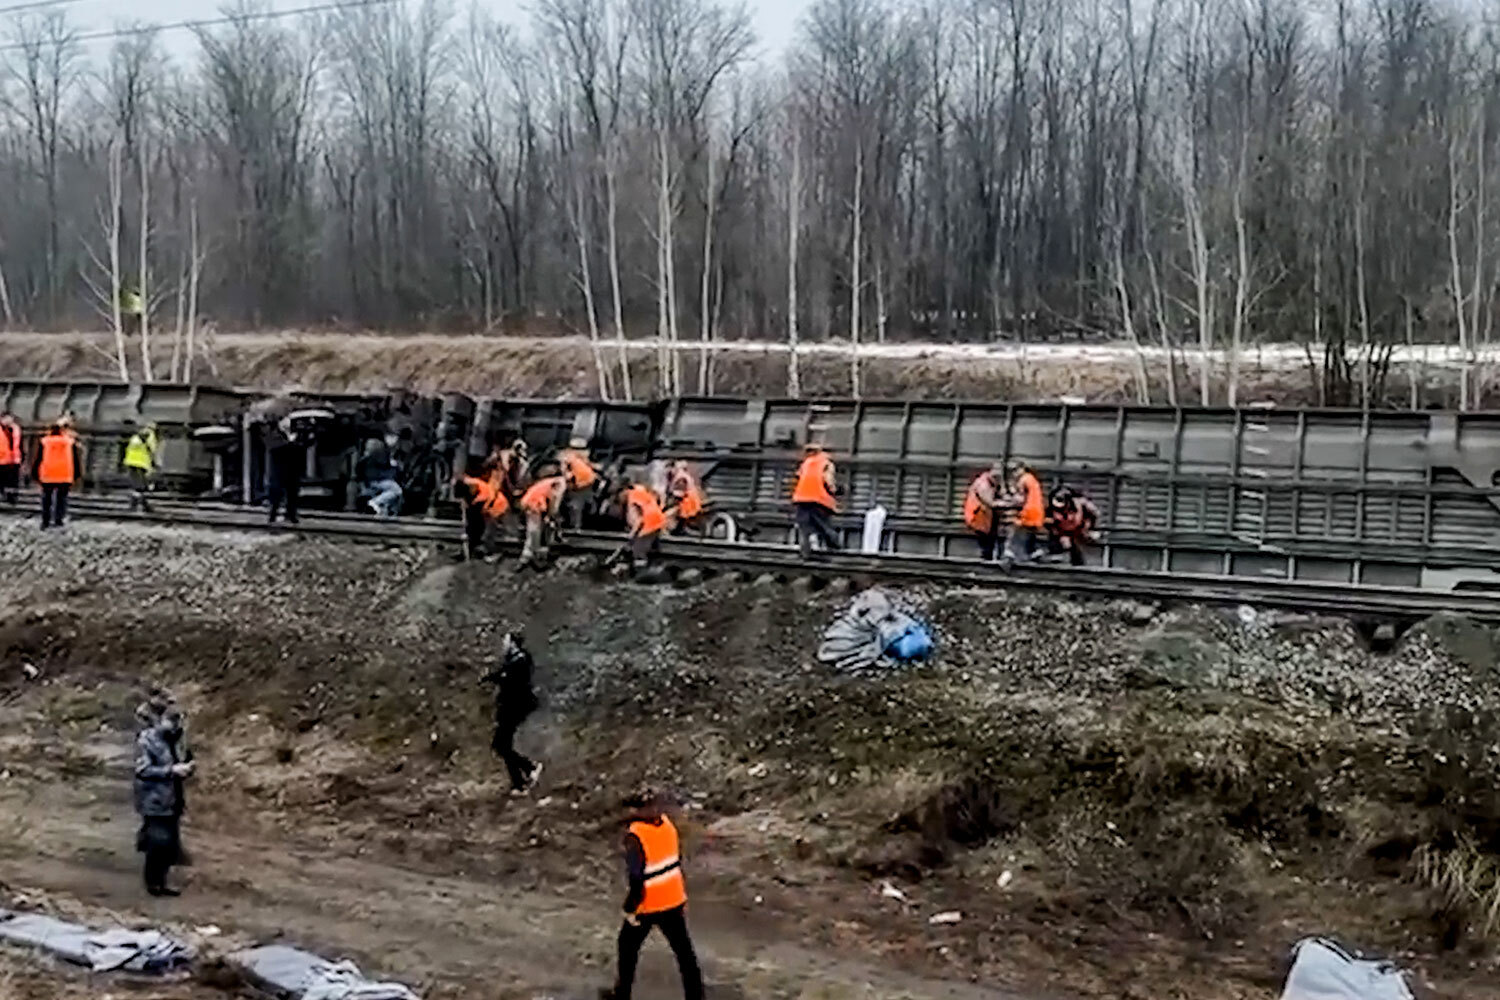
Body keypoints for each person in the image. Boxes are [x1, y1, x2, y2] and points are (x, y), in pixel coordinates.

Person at [601, 790, 703, 1000]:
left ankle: (622, 995)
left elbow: (637, 878)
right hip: (673, 898)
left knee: (627, 947)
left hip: (648, 904)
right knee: (685, 954)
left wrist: (630, 908)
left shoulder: (635, 836)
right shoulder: (667, 826)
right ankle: (696, 996)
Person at [134, 705, 194, 897]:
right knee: (158, 844)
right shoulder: (147, 741)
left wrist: (188, 767)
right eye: (172, 719)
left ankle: (162, 882)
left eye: (177, 720)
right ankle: (153, 884)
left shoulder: (177, 740)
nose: (175, 724)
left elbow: (184, 758)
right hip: (154, 799)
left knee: (169, 846)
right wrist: (171, 771)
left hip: (173, 798)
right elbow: (142, 770)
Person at [480, 631, 542, 794]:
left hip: (514, 708)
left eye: (506, 641)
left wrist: (495, 678)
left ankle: (527, 771)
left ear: (513, 643)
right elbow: (503, 675)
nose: (503, 645)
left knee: (501, 745)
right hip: (510, 708)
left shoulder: (520, 660)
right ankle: (521, 779)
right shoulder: (514, 661)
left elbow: (511, 681)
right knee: (502, 745)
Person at [791, 442, 840, 559]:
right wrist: (835, 491)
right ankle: (835, 548)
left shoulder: (805, 464)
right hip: (819, 500)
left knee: (804, 528)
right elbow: (828, 481)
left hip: (801, 499)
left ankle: (805, 553)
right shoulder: (826, 463)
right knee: (823, 526)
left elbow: (799, 477)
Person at [33, 421, 80, 529]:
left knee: (46, 498)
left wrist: (35, 473)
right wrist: (76, 474)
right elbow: (75, 460)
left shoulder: (44, 442)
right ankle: (58, 519)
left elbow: (38, 459)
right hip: (65, 474)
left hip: (48, 473)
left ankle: (45, 520)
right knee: (62, 498)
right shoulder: (70, 442)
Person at [1001, 459, 1045, 568]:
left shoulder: (1023, 480)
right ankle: (1037, 555)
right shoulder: (1032, 479)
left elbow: (1020, 500)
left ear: (1021, 469)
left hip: (1027, 513)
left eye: (1015, 471)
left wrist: (1008, 498)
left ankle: (1008, 559)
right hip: (1037, 513)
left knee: (1015, 537)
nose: (1013, 474)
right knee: (1030, 537)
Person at [457, 468, 509, 561]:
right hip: (486, 506)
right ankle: (473, 548)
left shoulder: (481, 495)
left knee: (488, 533)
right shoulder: (469, 483)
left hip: (496, 507)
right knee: (475, 527)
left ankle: (493, 552)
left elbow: (478, 512)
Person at [519, 471, 568, 567]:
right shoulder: (561, 484)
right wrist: (551, 516)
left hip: (530, 501)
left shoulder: (550, 481)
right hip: (534, 503)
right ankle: (533, 556)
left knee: (533, 531)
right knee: (534, 532)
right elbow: (554, 502)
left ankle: (528, 556)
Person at [268, 417, 309, 525]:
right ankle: (273, 514)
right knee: (277, 494)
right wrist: (290, 443)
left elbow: (302, 448)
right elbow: (274, 449)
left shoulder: (297, 435)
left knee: (292, 494)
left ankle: (291, 514)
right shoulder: (276, 435)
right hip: (280, 470)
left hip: (292, 469)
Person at [1047, 485, 1101, 566]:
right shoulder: (1051, 510)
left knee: (1082, 556)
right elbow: (1049, 524)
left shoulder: (1082, 504)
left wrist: (1091, 528)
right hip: (1063, 534)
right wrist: (1058, 534)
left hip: (1081, 532)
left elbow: (1096, 514)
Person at [963, 463, 1006, 561]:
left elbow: (1002, 493)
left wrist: (1001, 484)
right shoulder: (983, 484)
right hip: (978, 516)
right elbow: (990, 503)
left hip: (987, 517)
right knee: (985, 543)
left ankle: (987, 557)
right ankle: (984, 558)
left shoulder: (992, 482)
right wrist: (1006, 503)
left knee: (989, 541)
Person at [622, 478, 667, 569]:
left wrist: (631, 536)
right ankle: (656, 566)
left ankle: (640, 571)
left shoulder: (632, 498)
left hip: (649, 523)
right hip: (657, 519)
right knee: (653, 548)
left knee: (638, 550)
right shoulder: (640, 491)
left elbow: (639, 520)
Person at [559, 437, 600, 530]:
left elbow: (566, 472)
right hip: (584, 484)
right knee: (578, 505)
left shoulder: (573, 458)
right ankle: (576, 526)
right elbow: (566, 471)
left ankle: (576, 526)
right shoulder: (571, 458)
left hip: (583, 484)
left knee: (577, 505)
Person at [356, 437, 403, 518]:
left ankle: (388, 511)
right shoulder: (371, 458)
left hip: (377, 481)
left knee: (394, 491)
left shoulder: (369, 458)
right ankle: (375, 502)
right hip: (376, 482)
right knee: (396, 490)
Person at [122, 421, 160, 512]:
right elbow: (152, 450)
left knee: (139, 486)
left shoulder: (137, 435)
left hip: (131, 462)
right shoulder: (150, 436)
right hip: (141, 463)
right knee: (139, 487)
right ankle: (137, 506)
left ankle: (142, 506)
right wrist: (154, 463)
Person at [666, 461, 707, 535]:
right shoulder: (683, 475)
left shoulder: (681, 477)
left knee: (679, 516)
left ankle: (679, 531)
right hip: (688, 501)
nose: (669, 470)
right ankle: (680, 531)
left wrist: (671, 497)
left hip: (687, 502)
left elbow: (680, 493)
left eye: (671, 468)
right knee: (683, 519)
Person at [0, 410, 21, 505]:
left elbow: (19, 444)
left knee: (13, 481)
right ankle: (4, 495)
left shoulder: (15, 429)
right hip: (1, 460)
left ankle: (12, 498)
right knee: (3, 480)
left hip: (14, 459)